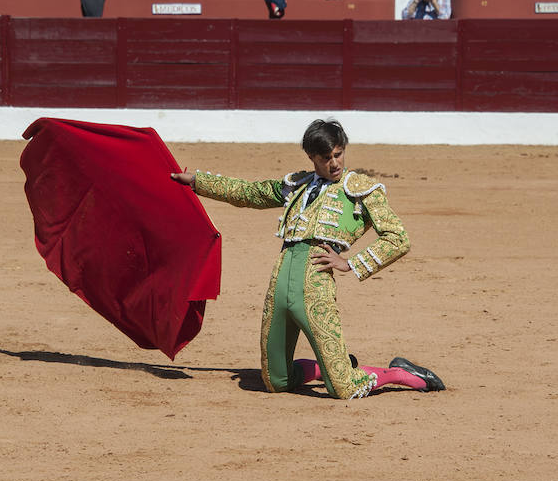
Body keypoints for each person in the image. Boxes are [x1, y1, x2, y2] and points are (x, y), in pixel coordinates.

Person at [170, 120, 445, 400]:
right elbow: (250, 193)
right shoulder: (297, 185)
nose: (334, 163)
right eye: (326, 158)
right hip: (280, 283)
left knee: (343, 388)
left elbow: (398, 238)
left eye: (338, 154)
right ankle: (329, 367)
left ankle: (401, 374)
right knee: (276, 381)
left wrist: (350, 263)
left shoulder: (362, 189)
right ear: (312, 157)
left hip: (316, 286)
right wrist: (196, 182)